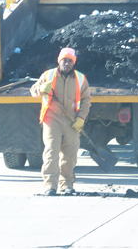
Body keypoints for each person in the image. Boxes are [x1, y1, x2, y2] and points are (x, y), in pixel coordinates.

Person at [30, 47, 91, 196]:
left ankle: (67, 184)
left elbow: (86, 100)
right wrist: (41, 88)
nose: (67, 64)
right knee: (52, 151)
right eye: (64, 60)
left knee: (70, 154)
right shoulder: (48, 75)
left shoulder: (80, 79)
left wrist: (81, 118)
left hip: (72, 120)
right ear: (59, 60)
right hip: (52, 120)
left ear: (73, 63)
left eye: (70, 61)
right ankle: (50, 185)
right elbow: (33, 91)